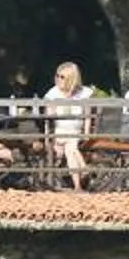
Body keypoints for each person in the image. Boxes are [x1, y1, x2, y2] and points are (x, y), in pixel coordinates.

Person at [43, 61, 94, 190]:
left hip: (76, 132)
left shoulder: (84, 93)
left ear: (71, 79)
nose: (57, 79)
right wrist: (50, 137)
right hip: (60, 132)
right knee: (70, 147)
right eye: (57, 75)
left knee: (70, 148)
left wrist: (87, 134)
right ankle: (83, 171)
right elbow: (49, 119)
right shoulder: (53, 93)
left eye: (62, 77)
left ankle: (77, 185)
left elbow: (87, 116)